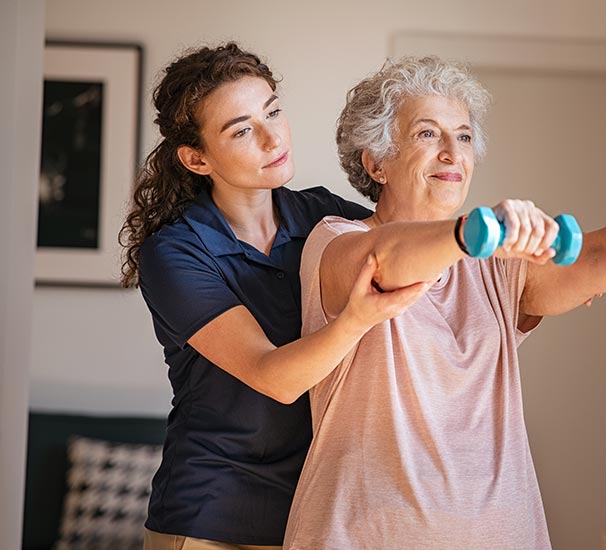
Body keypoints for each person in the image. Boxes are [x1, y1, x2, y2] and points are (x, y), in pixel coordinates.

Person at [281, 56, 606, 549]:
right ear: (375, 161)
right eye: (428, 134)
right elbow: (384, 262)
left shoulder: (496, 265)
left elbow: (595, 254)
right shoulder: (336, 240)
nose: (452, 153)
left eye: (463, 137)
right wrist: (476, 233)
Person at [119, 43, 427, 550]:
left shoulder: (323, 218)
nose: (272, 137)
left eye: (273, 111)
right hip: (210, 516)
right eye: (241, 130)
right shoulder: (174, 253)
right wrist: (356, 319)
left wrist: (517, 289)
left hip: (313, 511)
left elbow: (405, 246)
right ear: (197, 158)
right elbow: (273, 377)